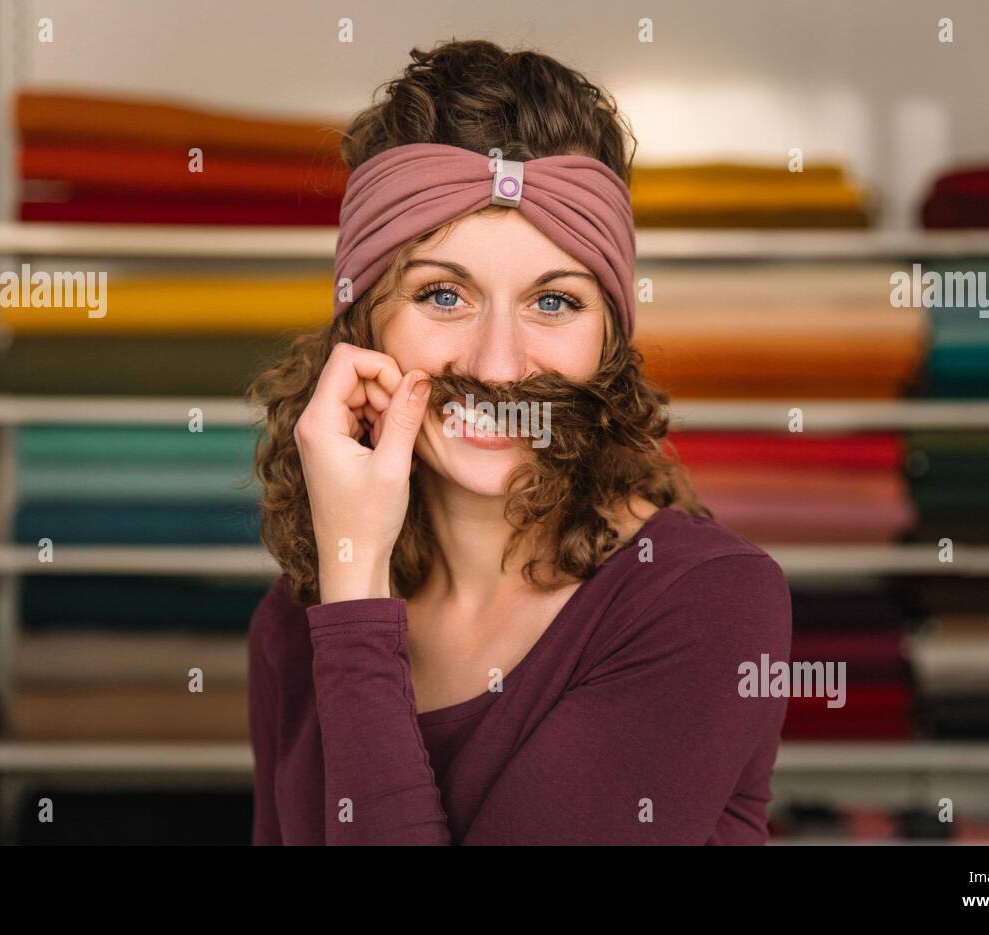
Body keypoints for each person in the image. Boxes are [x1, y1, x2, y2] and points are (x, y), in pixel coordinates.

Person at [247, 39, 792, 845]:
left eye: (555, 302)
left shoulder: (707, 602)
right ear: (363, 326)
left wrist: (357, 604)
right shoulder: (295, 622)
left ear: (609, 340)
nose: (498, 368)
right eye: (442, 293)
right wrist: (351, 583)